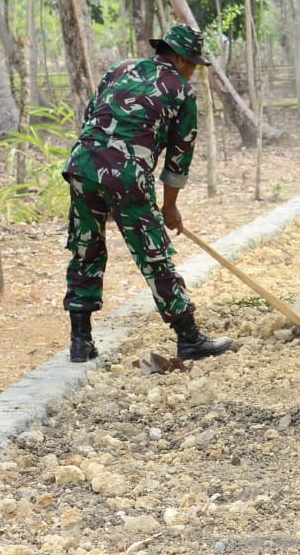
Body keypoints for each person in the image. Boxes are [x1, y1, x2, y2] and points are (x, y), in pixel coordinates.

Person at [62, 23, 232, 362]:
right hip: (127, 177)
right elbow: (178, 159)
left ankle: (80, 342)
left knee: (86, 250)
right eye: (194, 65)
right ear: (183, 60)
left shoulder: (119, 68)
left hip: (82, 166)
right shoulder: (182, 93)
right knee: (155, 256)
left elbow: (90, 116)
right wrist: (170, 208)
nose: (194, 72)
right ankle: (189, 337)